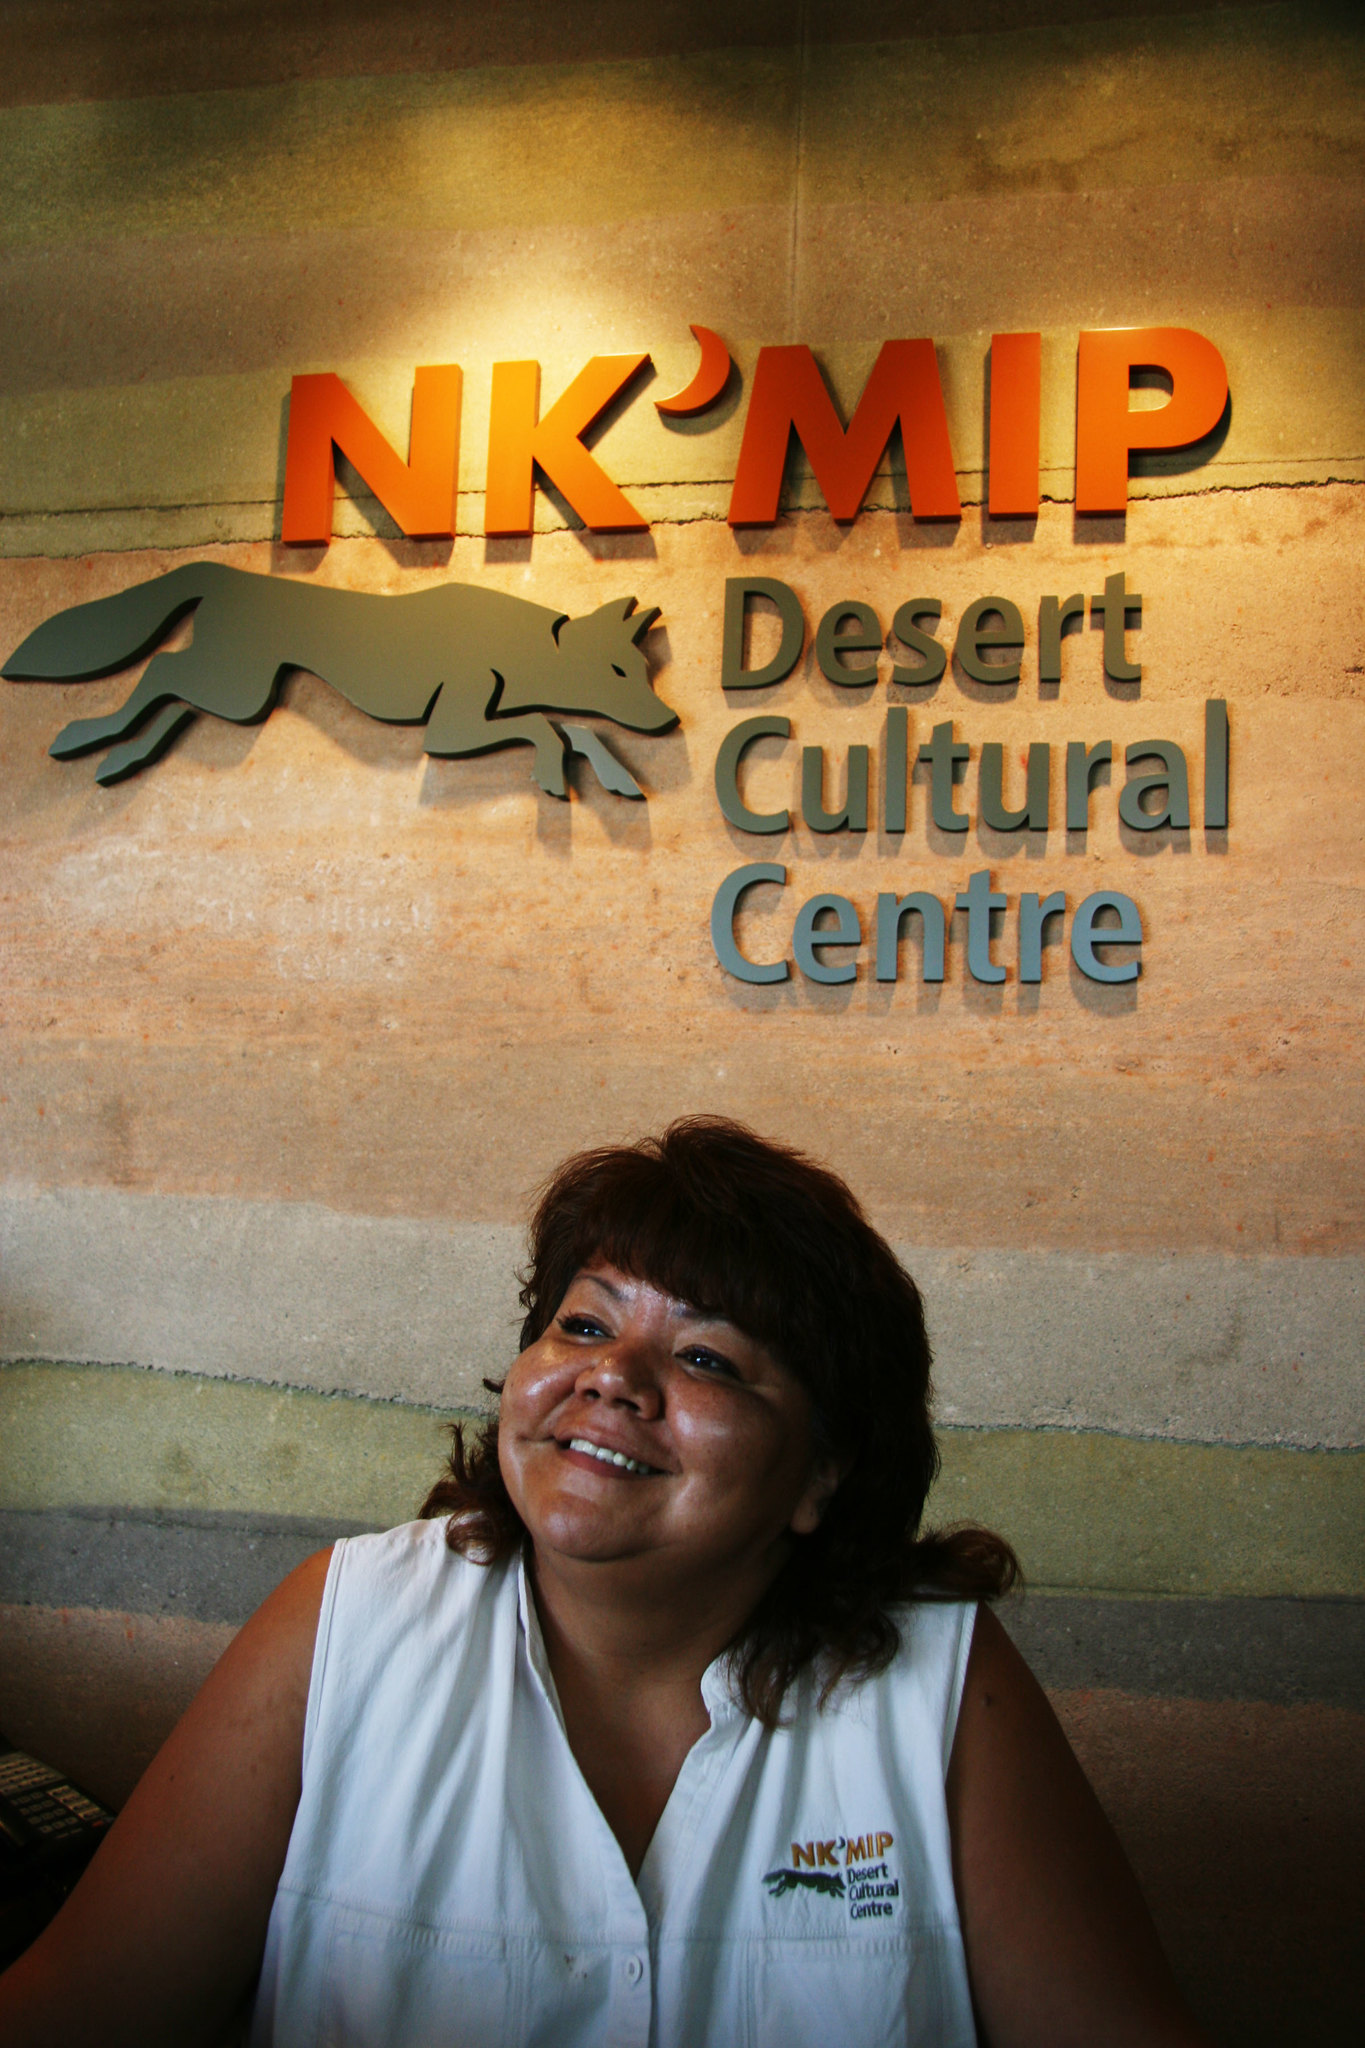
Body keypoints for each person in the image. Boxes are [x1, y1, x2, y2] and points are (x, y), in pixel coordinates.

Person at [0, 1117, 1211, 2048]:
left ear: (819, 1474)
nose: (614, 1378)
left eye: (704, 1356)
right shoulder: (347, 1621)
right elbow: (72, 2013)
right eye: (583, 1325)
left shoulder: (945, 1690)